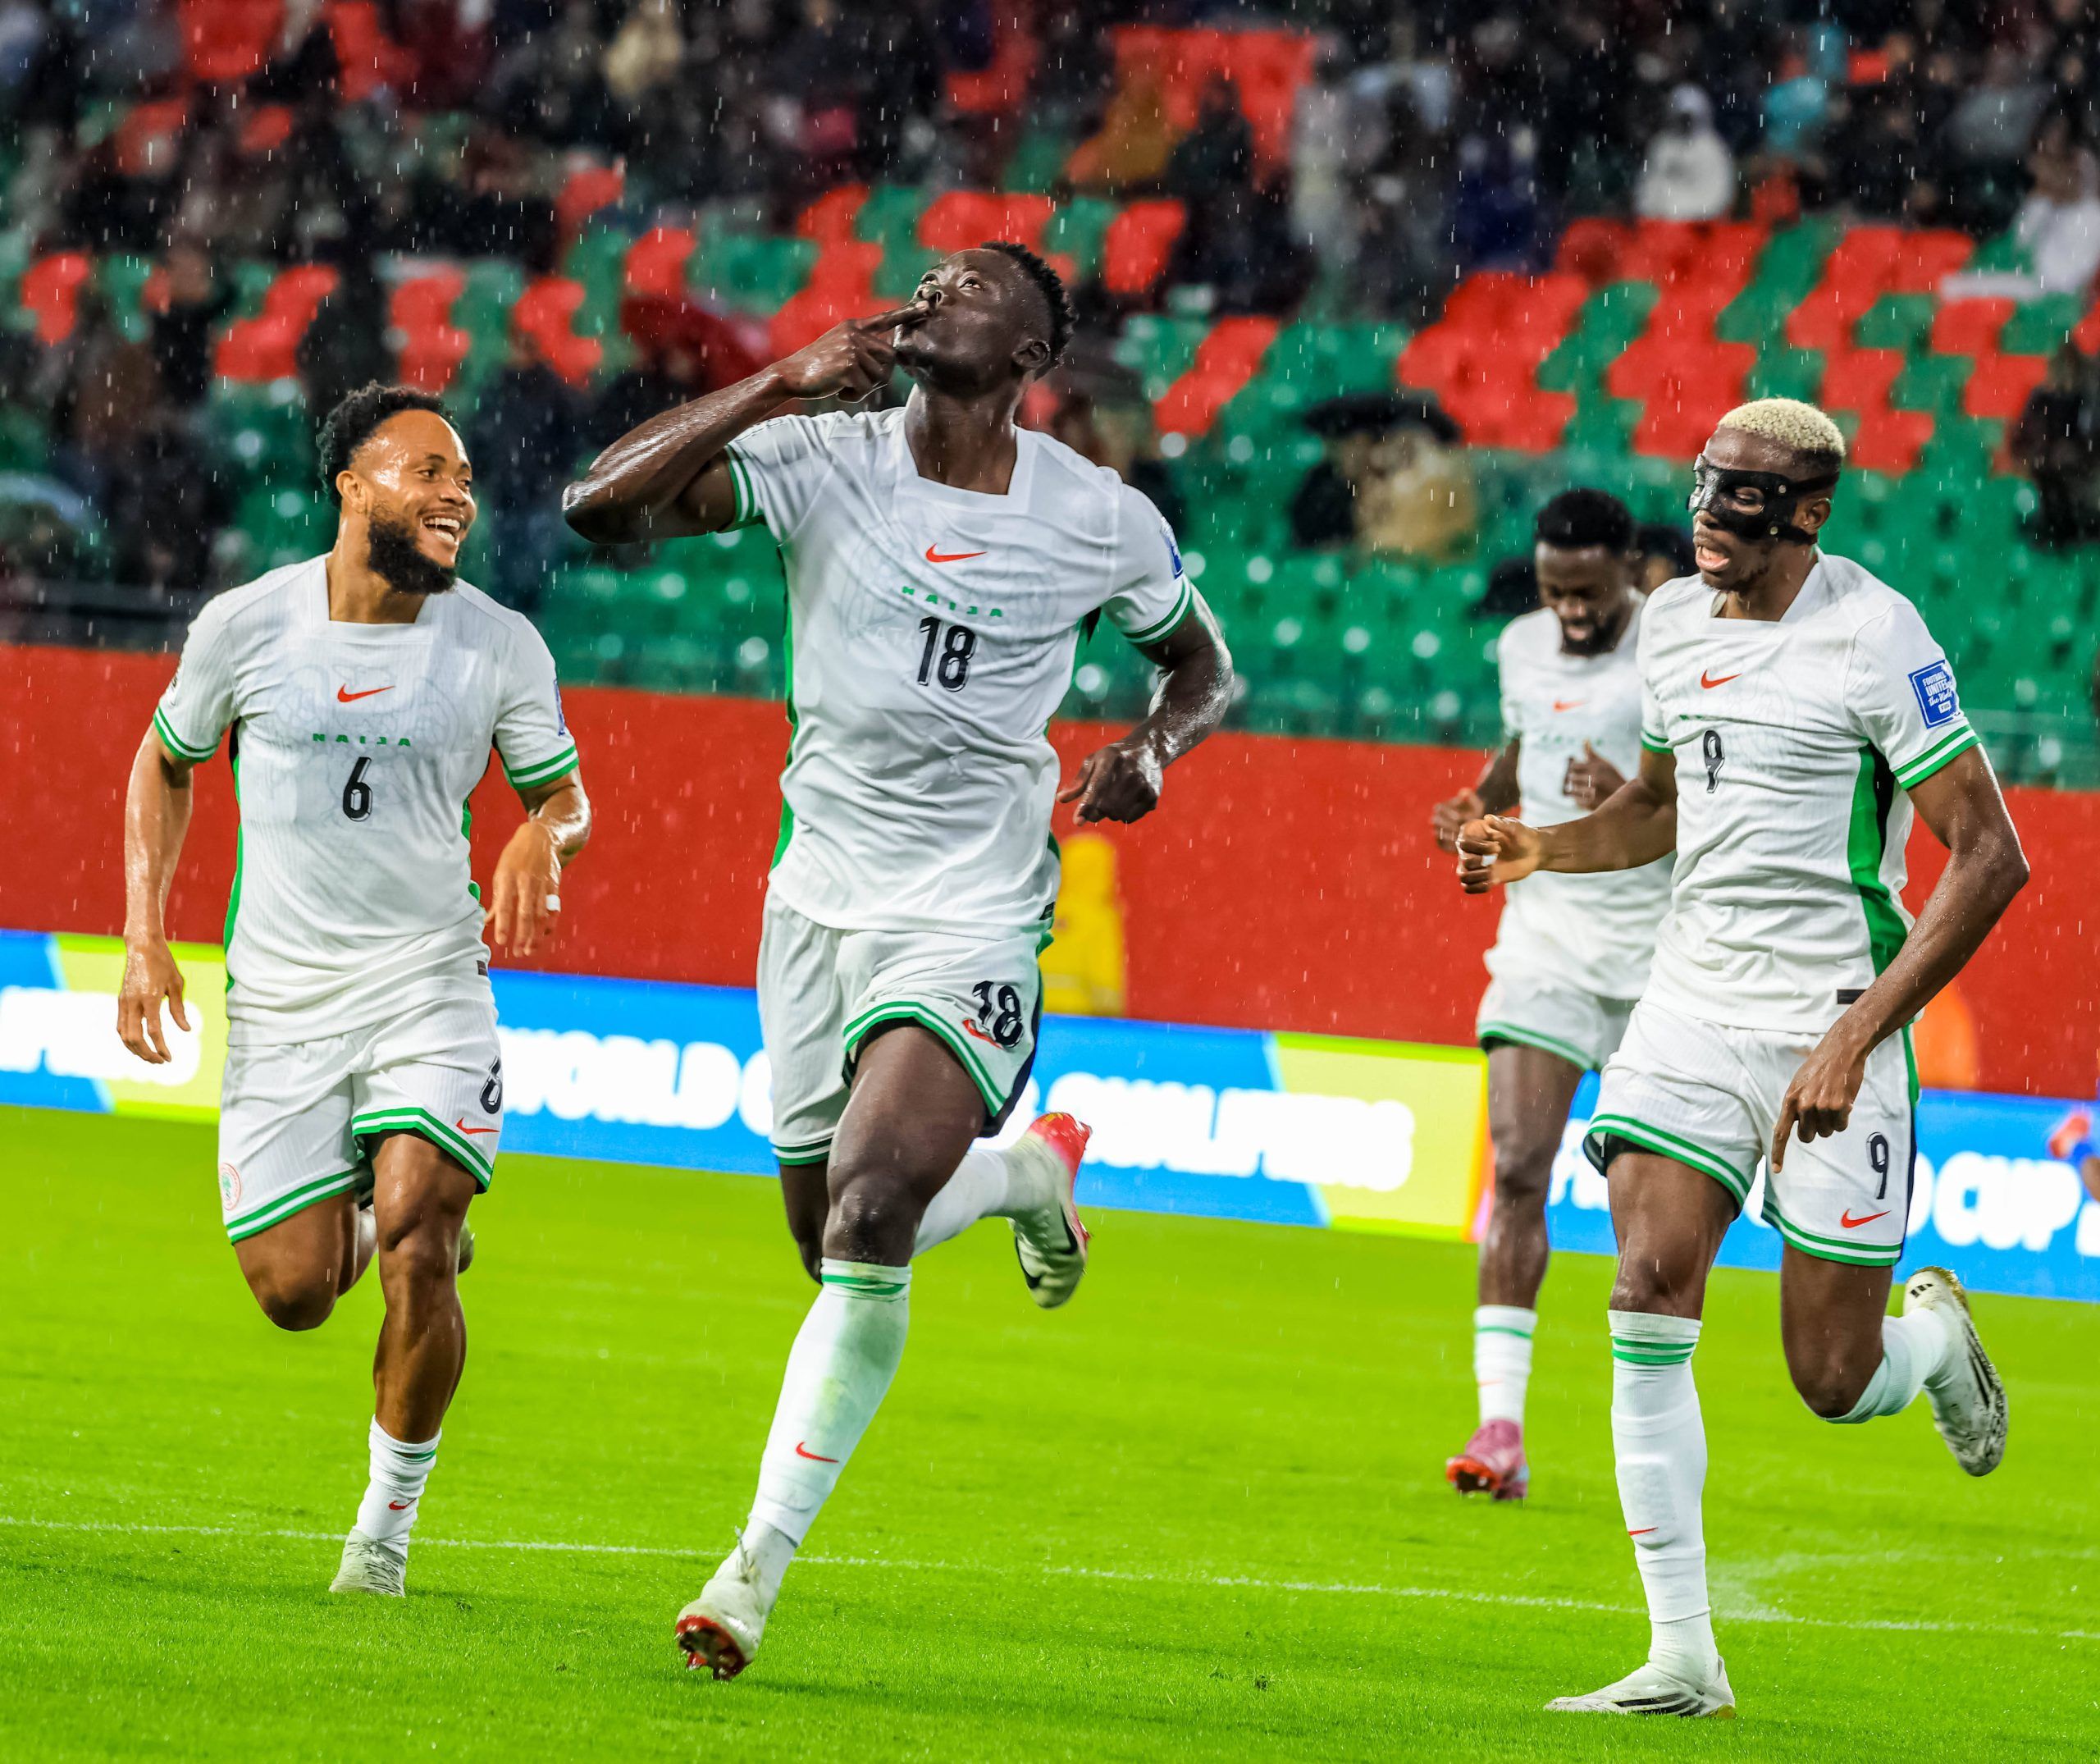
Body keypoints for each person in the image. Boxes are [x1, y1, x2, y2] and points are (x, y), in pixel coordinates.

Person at [564, 241, 1232, 1679]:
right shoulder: (820, 454)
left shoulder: (1097, 514)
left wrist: (1153, 751)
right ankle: (1026, 1176)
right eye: (925, 277)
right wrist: (770, 385)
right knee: (828, 1241)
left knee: (871, 1210)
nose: (933, 291)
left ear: (1032, 354)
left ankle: (751, 1569)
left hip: (973, 907)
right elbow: (597, 509)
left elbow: (1204, 665)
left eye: (972, 286)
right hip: (817, 901)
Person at [1457, 399, 2027, 1718]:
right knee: (1646, 1287)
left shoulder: (1876, 635)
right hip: (1690, 1006)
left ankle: (1934, 1341)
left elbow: (1991, 856)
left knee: (1832, 1377)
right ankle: (1682, 1658)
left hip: (1834, 1015)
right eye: (1708, 483)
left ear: (1810, 512)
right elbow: (1658, 803)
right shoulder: (1670, 623)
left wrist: (1856, 1033)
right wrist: (1544, 846)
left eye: (1747, 494)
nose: (1712, 512)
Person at [116, 384, 591, 1597]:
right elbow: (165, 760)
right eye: (427, 471)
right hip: (283, 999)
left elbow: (563, 794)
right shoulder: (246, 624)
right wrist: (145, 932)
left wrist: (544, 832)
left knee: (420, 1249)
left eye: (465, 478)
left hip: (429, 979)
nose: (456, 495)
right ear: (352, 486)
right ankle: (391, 1210)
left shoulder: (501, 642)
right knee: (294, 1292)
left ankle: (381, 1537)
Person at [1430, 489, 1668, 1503]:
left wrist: (1638, 796)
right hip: (1548, 946)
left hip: (1662, 960)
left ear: (1630, 568)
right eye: (1552, 589)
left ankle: (1650, 1441)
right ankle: (1501, 1424)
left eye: (1587, 592)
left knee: (1649, 1222)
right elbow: (1522, 748)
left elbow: (1713, 791)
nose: (1568, 610)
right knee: (1519, 1164)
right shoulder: (1519, 645)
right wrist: (1477, 801)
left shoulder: (1676, 642)